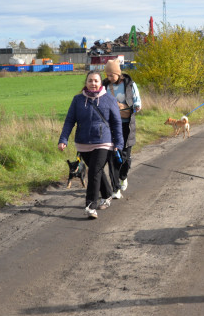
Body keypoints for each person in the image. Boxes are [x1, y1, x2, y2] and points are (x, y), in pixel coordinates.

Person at [58, 71, 124, 219]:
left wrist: (119, 143)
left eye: (96, 81)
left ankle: (90, 206)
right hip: (83, 143)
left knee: (94, 171)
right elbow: (69, 121)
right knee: (97, 171)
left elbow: (116, 123)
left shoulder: (109, 100)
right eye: (90, 81)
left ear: (101, 83)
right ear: (86, 83)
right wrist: (63, 139)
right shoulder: (78, 100)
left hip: (104, 142)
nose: (93, 83)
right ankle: (107, 195)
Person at [102, 59, 142, 197]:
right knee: (113, 157)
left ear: (118, 73)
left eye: (111, 75)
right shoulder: (105, 86)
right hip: (111, 125)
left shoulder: (129, 84)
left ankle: (123, 177)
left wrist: (136, 106)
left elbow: (137, 101)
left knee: (126, 156)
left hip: (127, 125)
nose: (109, 78)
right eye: (107, 75)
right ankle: (115, 188)